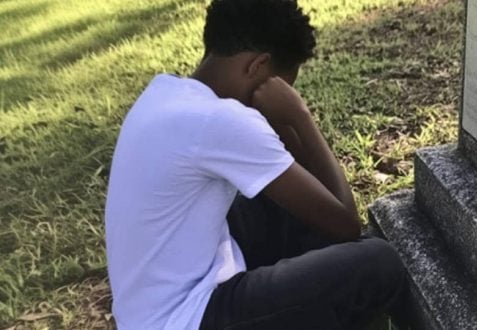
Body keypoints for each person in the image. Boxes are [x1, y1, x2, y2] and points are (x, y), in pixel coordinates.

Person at [104, 0, 411, 329]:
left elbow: (308, 195)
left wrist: (278, 121)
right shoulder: (223, 121)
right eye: (283, 84)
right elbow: (345, 223)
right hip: (187, 318)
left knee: (288, 209)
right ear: (258, 66)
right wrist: (300, 117)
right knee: (378, 263)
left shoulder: (165, 93)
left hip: (154, 306)